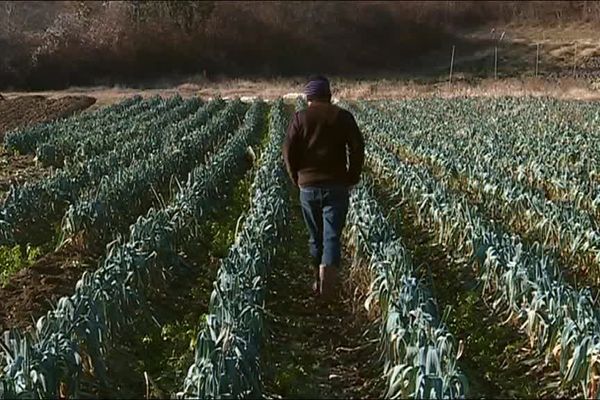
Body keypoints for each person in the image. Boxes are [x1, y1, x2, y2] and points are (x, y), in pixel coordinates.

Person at [283, 75, 365, 301]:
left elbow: (288, 151)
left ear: (309, 97)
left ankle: (315, 281)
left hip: (307, 186)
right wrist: (351, 176)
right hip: (337, 185)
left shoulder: (300, 118)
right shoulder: (343, 116)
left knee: (315, 236)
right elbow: (357, 148)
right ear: (328, 95)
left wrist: (296, 178)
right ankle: (326, 290)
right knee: (331, 237)